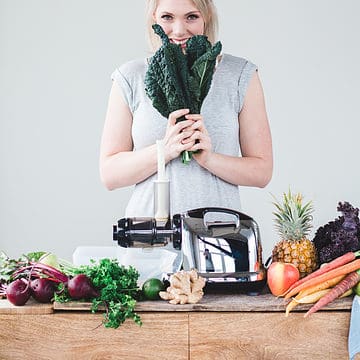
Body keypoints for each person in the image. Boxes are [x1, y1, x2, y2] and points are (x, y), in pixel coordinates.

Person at [100, 0, 273, 218]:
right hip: (149, 237)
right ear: (154, 17)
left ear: (206, 17)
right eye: (167, 17)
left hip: (219, 235)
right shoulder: (130, 76)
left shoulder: (239, 74)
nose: (179, 30)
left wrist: (209, 158)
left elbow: (261, 172)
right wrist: (165, 150)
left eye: (191, 16)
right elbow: (110, 174)